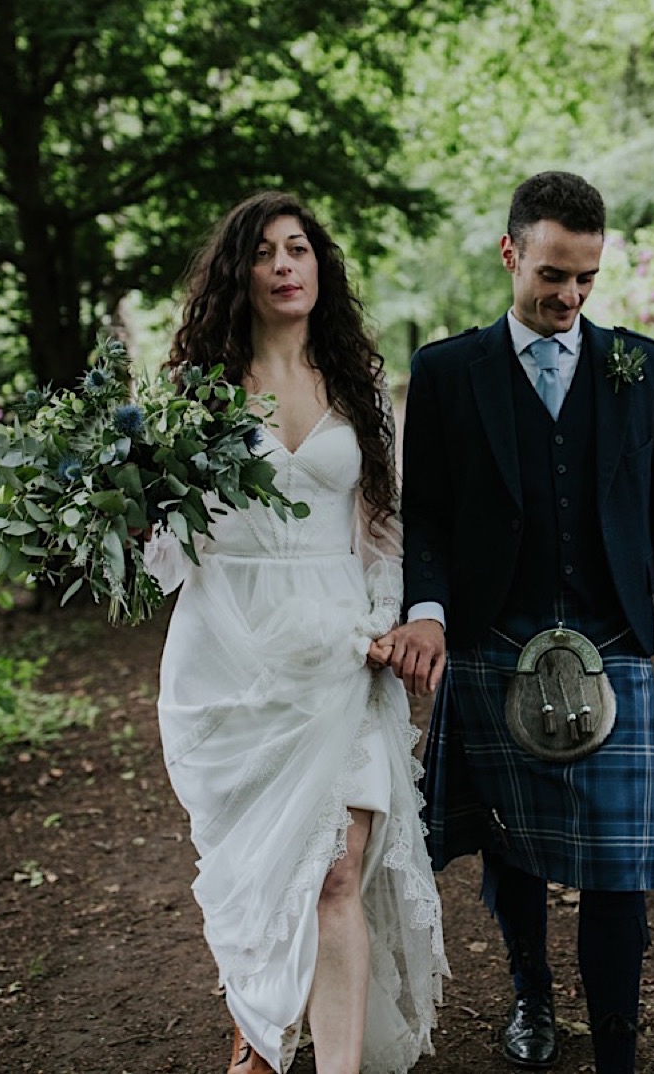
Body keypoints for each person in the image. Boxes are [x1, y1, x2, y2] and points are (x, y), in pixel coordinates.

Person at [374, 171, 654, 1074]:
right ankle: (531, 997)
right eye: (553, 275)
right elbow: (429, 516)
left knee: (618, 871)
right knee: (511, 847)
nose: (569, 296)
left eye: (587, 279)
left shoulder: (645, 367)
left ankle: (619, 1054)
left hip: (611, 645)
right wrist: (432, 613)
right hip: (492, 639)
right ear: (511, 252)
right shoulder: (446, 371)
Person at [145, 192, 448, 1074]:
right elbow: (168, 552)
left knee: (336, 873)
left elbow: (383, 527)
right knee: (261, 875)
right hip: (232, 653)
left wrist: (390, 623)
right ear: (238, 274)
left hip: (336, 651)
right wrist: (125, 520)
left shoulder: (357, 387)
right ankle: (261, 1027)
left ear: (320, 266)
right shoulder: (196, 397)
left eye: (299, 249)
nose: (286, 265)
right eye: (266, 253)